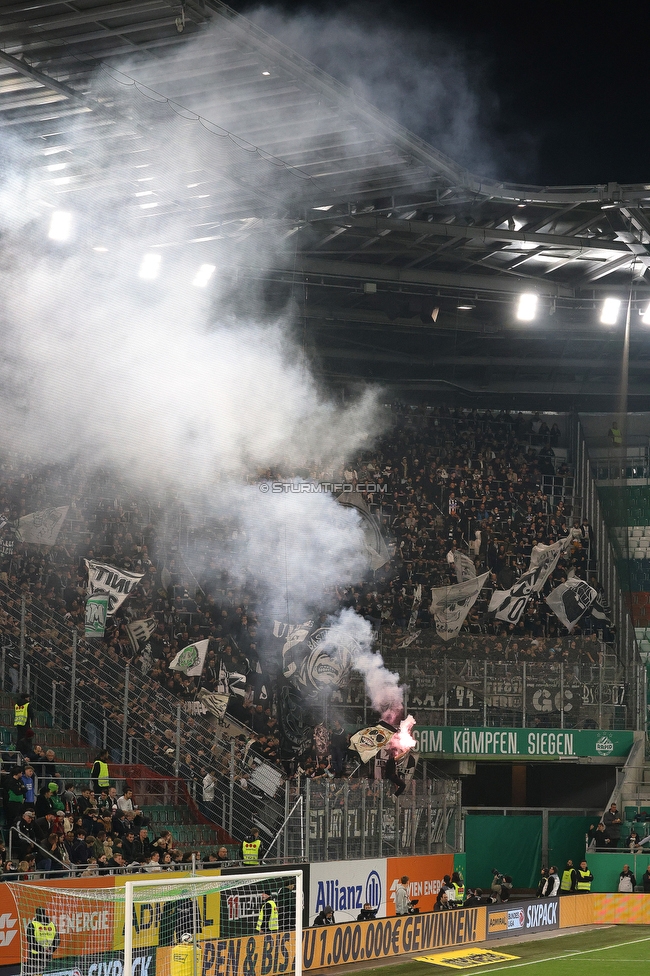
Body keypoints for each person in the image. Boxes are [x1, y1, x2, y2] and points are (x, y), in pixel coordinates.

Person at [25, 907, 59, 976]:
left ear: (36, 914)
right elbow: (57, 940)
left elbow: (31, 942)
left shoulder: (32, 925)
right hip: (48, 956)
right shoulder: (52, 925)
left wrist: (42, 950)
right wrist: (50, 950)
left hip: (35, 957)